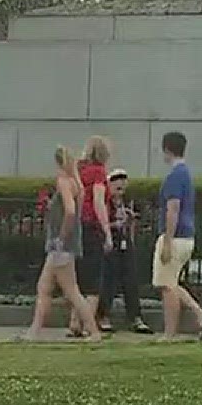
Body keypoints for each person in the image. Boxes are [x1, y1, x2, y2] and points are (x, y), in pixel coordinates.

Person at [21, 147, 101, 343]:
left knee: (71, 291)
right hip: (63, 245)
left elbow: (70, 211)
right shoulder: (76, 184)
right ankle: (34, 331)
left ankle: (94, 331)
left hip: (60, 245)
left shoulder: (64, 182)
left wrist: (61, 237)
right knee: (45, 288)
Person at [152, 130, 202, 342]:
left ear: (166, 149)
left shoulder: (174, 176)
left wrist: (167, 240)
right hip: (186, 236)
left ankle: (171, 332)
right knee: (172, 282)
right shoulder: (185, 173)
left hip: (175, 237)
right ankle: (199, 314)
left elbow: (173, 209)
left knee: (166, 285)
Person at [94, 169, 153, 335]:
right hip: (110, 242)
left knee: (130, 279)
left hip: (125, 242)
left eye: (123, 184)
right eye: (116, 184)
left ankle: (135, 316)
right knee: (108, 280)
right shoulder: (104, 202)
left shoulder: (126, 202)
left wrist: (129, 220)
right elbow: (101, 221)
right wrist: (113, 224)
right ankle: (103, 315)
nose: (120, 189)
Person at [77, 136, 115, 323]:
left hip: (78, 226)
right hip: (92, 226)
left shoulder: (80, 171)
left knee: (78, 277)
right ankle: (87, 324)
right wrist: (107, 232)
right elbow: (98, 202)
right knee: (94, 281)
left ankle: (74, 321)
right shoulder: (98, 173)